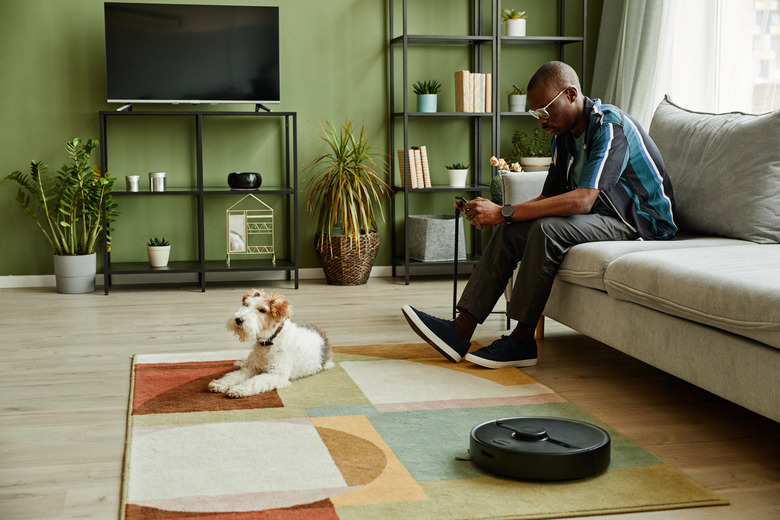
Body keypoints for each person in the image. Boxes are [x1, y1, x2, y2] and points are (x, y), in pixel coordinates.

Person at [402, 61, 676, 369]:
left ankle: (521, 341)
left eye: (545, 110)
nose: (541, 121)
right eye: (536, 114)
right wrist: (503, 217)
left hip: (640, 221)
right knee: (511, 229)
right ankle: (459, 330)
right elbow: (549, 196)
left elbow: (583, 200)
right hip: (602, 216)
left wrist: (504, 211)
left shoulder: (609, 127)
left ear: (571, 94)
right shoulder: (563, 136)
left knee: (546, 229)